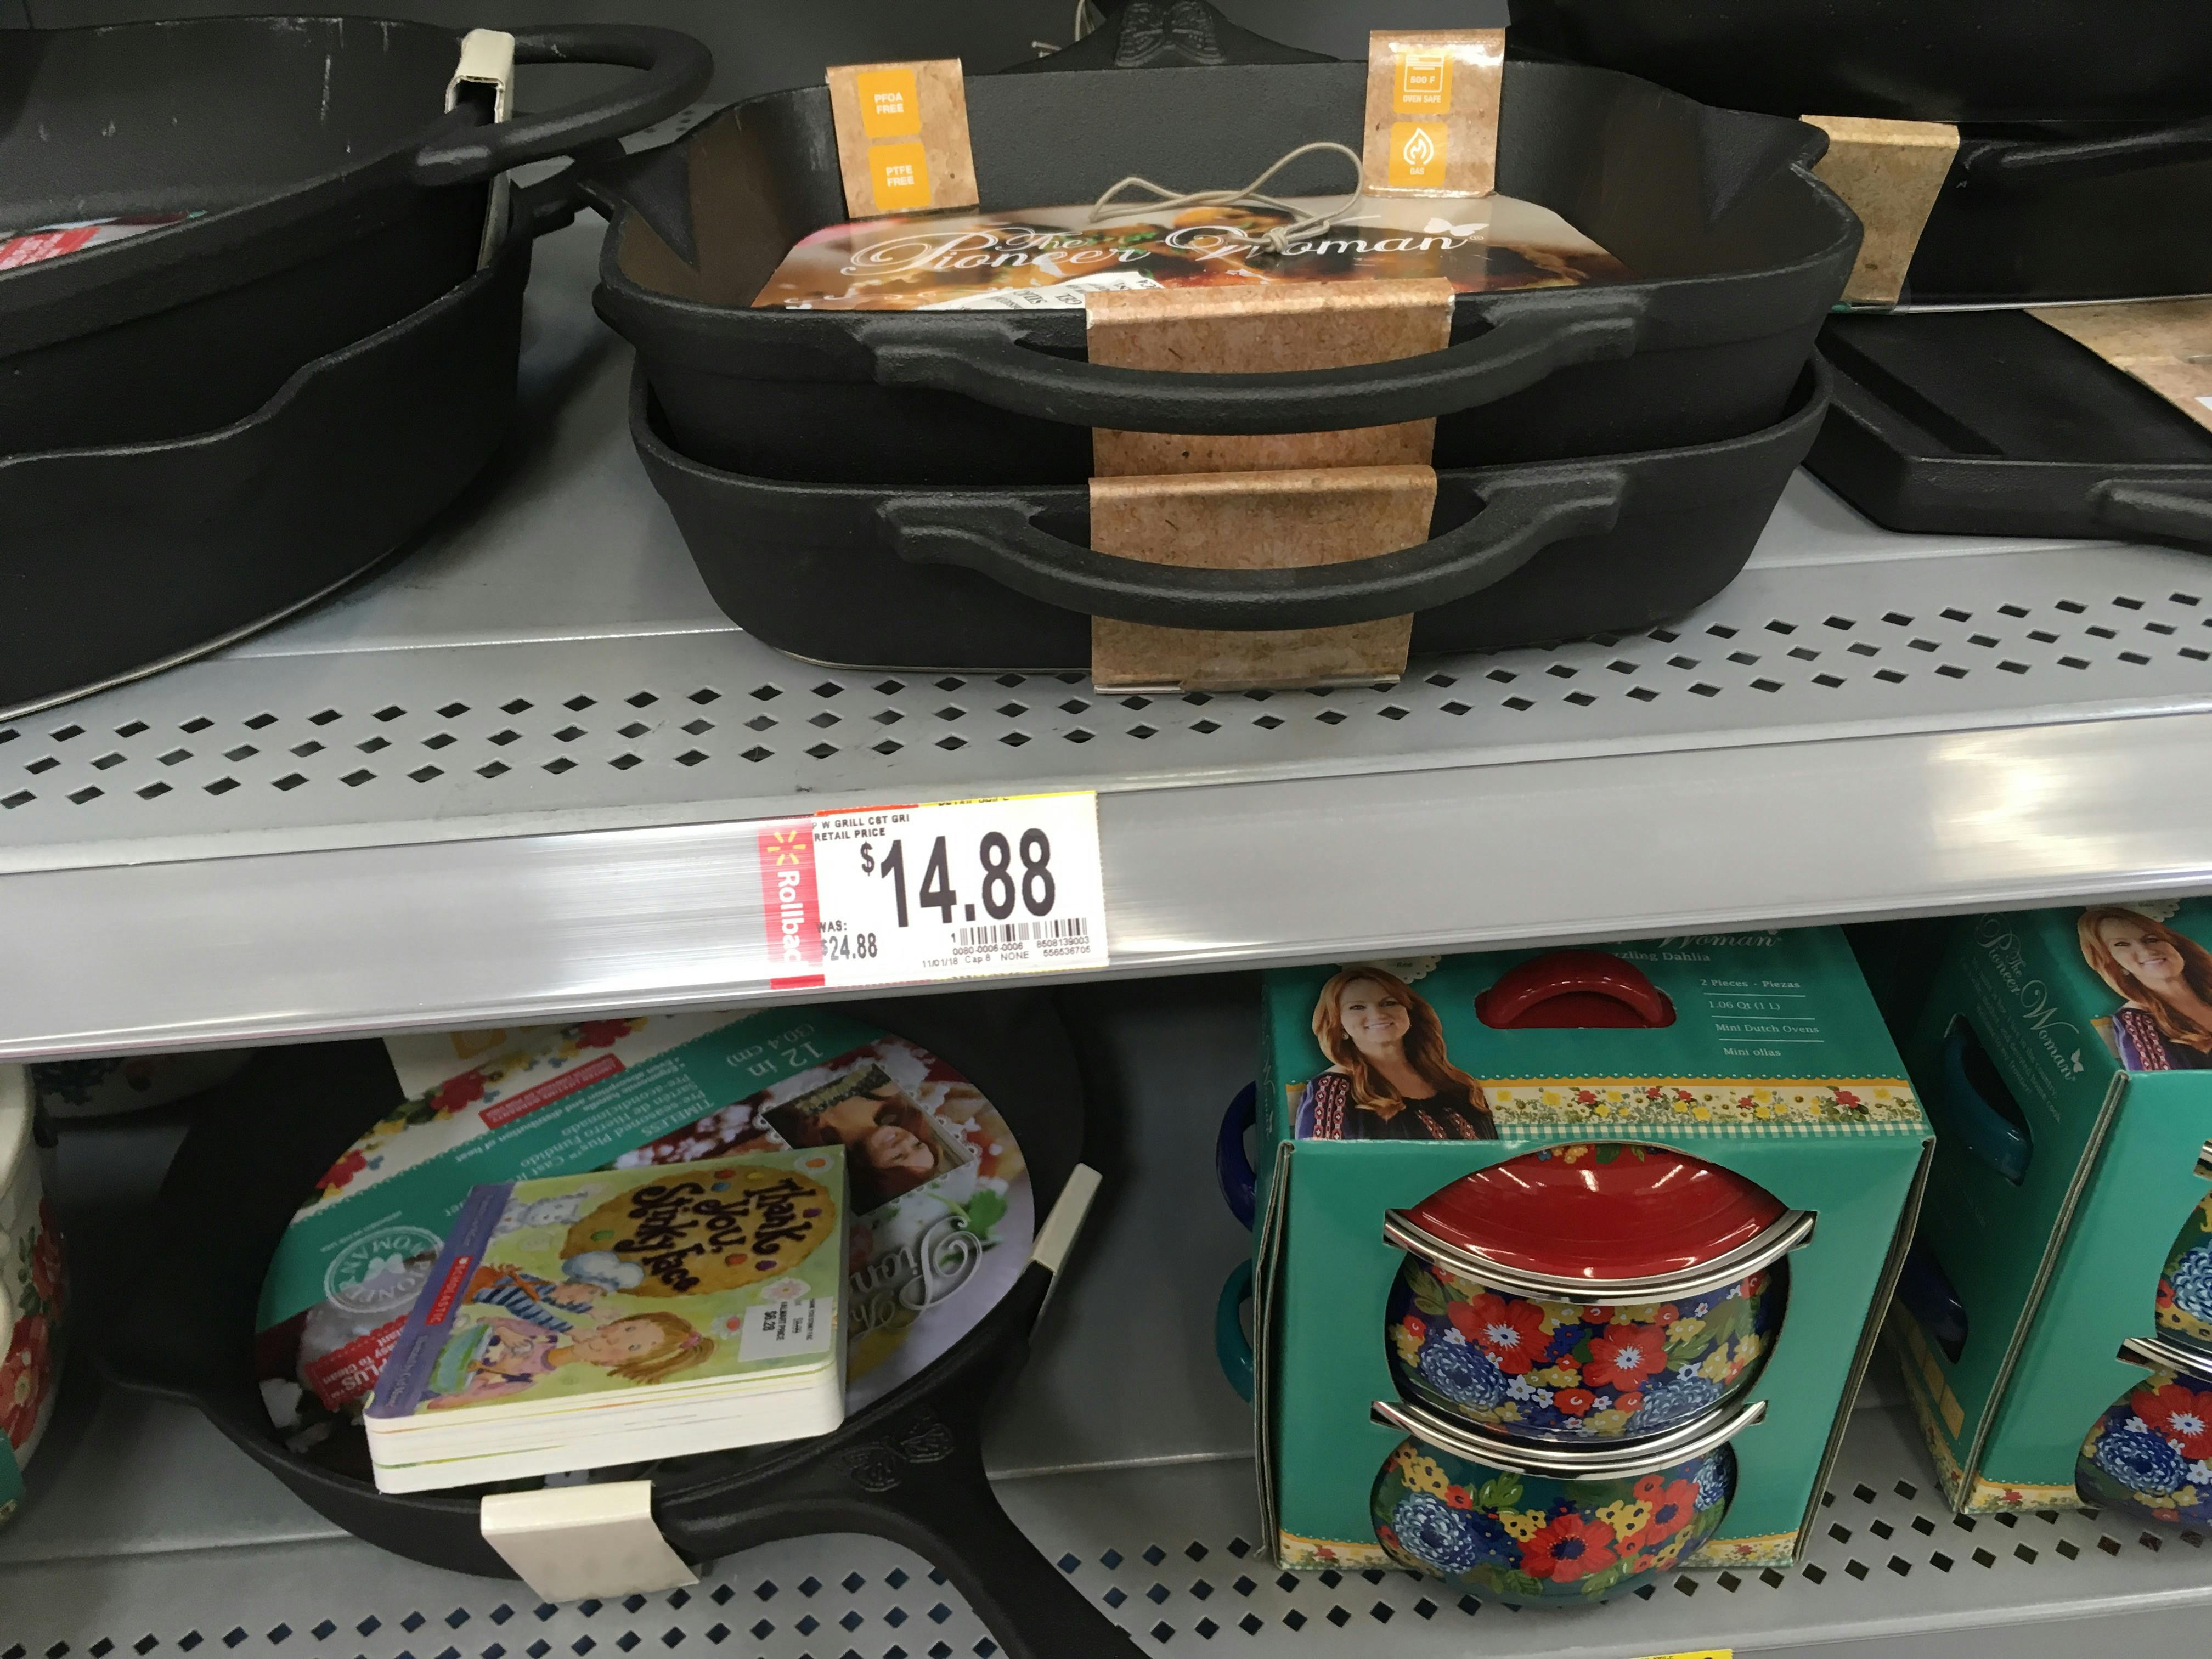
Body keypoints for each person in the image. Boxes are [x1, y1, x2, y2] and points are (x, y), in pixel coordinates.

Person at [1297, 967, 1497, 1141]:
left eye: (1389, 1003)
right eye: (1357, 1007)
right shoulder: (1331, 1090)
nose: (1377, 1014)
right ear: (1338, 1024)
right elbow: (1321, 1169)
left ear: (1410, 1012)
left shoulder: (1462, 1086)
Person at [427, 1310, 715, 1407]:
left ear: (613, 1364)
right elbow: (486, 1319)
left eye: (633, 1347)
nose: (616, 1339)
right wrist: (505, 1331)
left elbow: (443, 1402)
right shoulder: (544, 1335)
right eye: (628, 1329)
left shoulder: (525, 1381)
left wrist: (489, 1374)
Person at [768, 1066, 951, 1212]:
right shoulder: (884, 1089)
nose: (904, 1142)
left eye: (898, 1156)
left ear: (870, 1172)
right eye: (917, 1145)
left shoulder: (794, 1138)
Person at [2078, 906, 2212, 1071]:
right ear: (2112, 962)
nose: (2146, 950)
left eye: (2151, 939)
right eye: (2122, 944)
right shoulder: (2136, 1022)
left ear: (2175, 945)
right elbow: (2167, 1087)